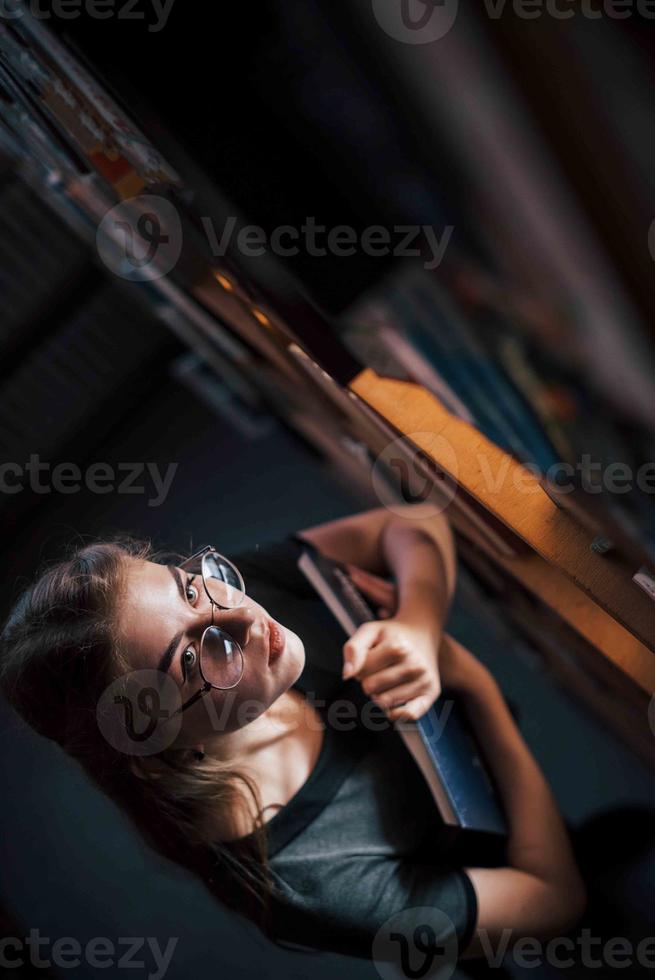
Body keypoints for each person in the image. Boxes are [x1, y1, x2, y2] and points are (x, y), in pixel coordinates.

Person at [0, 504, 585, 963]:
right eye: (197, 657)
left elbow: (408, 522)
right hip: (514, 855)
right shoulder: (308, 883)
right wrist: (473, 683)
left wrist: (419, 623)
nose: (245, 616)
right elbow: (555, 898)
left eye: (186, 585)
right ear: (157, 751)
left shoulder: (228, 597)